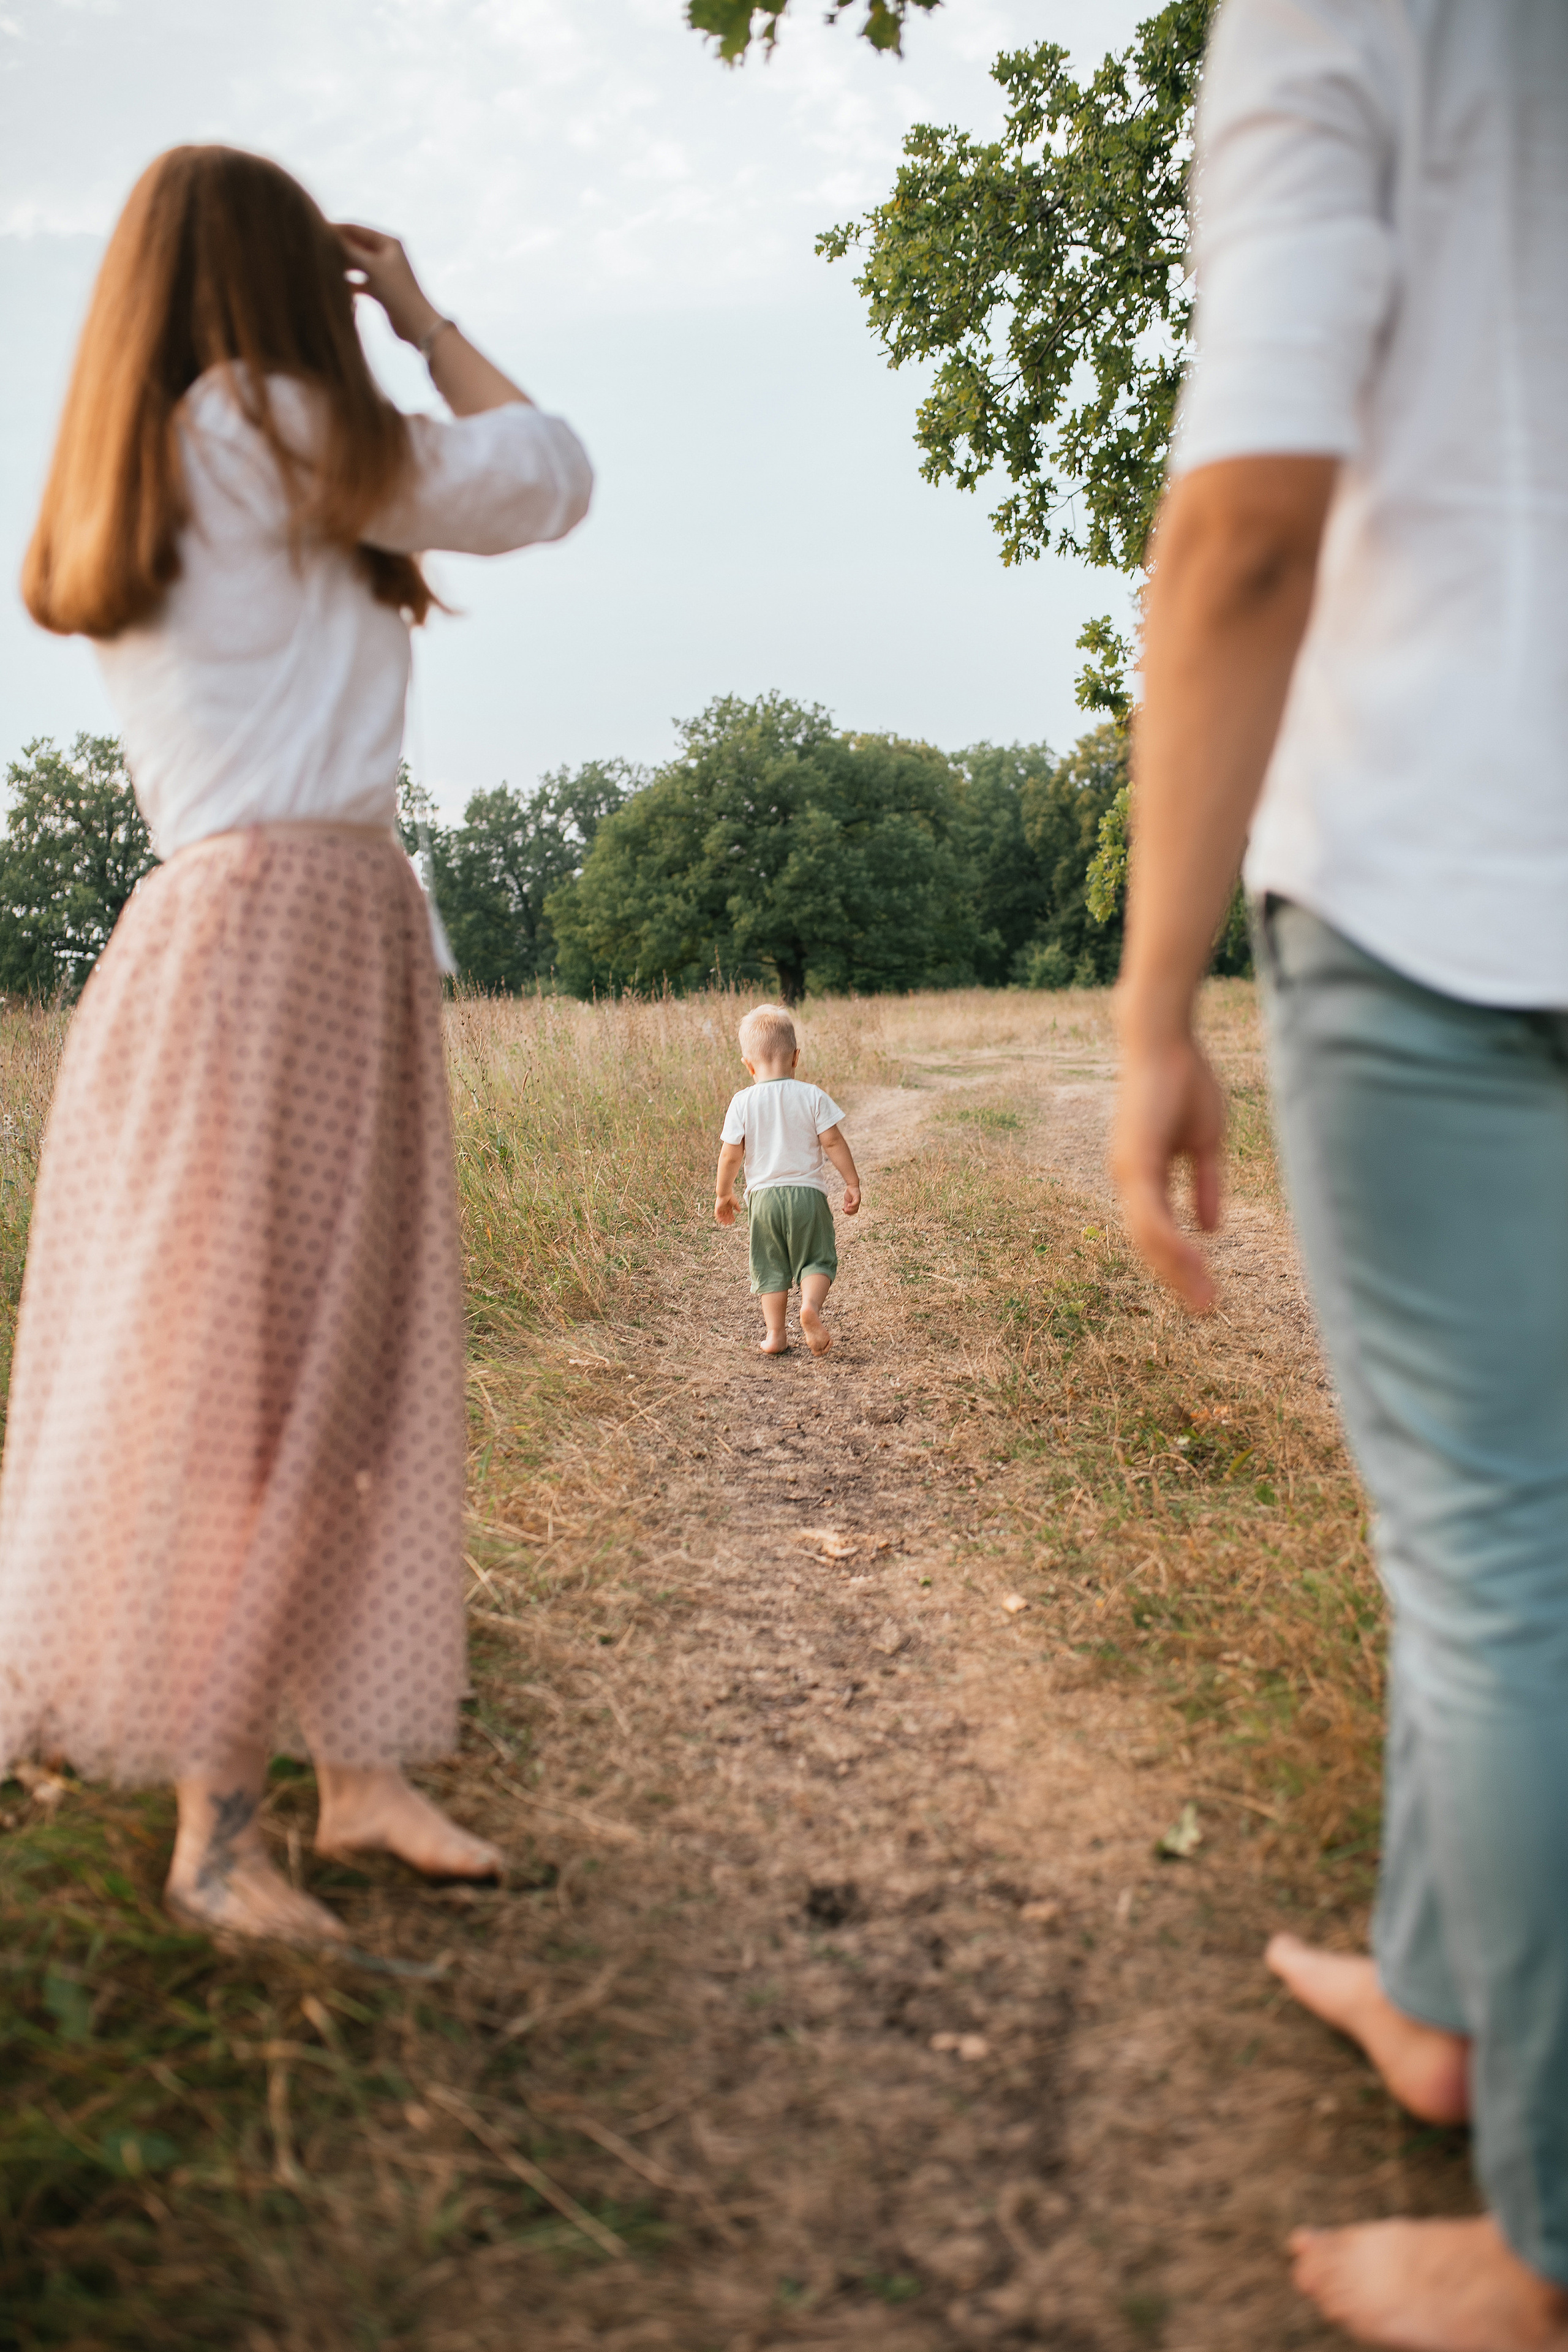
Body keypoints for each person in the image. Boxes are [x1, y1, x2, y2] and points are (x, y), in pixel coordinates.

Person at [1110, 4, 1568, 2345]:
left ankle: (1542, 2239)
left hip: (1440, 885)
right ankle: (1428, 1994)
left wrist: (1146, 999)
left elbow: (1238, 522)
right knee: (1481, 1516)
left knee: (1499, 1558)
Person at [1, 145, 592, 1950]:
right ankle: (216, 1830)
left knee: (315, 1372)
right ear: (281, 286)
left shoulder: (154, 460)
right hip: (288, 938)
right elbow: (552, 473)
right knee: (266, 1395)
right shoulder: (269, 422)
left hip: (244, 932)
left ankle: (354, 1769)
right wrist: (418, 317)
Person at [714, 1004, 861, 1356]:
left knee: (771, 1266)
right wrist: (852, 1182)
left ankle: (776, 1335)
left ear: (748, 1065)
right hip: (808, 1197)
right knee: (817, 1259)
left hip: (763, 1200)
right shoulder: (811, 1095)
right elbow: (833, 1141)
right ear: (796, 1057)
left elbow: (731, 1154)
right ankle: (810, 1307)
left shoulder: (742, 1101)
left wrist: (723, 1193)